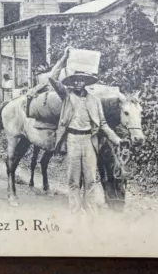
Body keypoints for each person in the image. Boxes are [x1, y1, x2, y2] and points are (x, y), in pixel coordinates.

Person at [48, 47, 125, 215]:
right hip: (73, 140)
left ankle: (91, 213)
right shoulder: (67, 96)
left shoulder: (94, 101)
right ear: (72, 82)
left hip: (90, 142)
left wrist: (116, 139)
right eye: (75, 80)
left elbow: (103, 124)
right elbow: (52, 78)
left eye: (82, 80)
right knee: (73, 180)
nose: (78, 83)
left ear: (87, 82)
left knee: (90, 180)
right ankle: (74, 212)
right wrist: (63, 58)